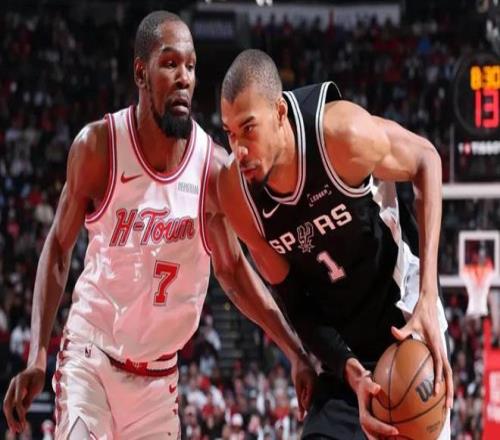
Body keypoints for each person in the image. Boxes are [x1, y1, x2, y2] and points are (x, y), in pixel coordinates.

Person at [2, 14, 314, 439]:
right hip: (92, 359)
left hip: (158, 380)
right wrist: (38, 355)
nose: (184, 77)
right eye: (170, 64)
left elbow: (233, 270)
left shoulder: (213, 170)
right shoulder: (98, 147)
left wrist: (294, 350)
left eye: (191, 66)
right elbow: (58, 247)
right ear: (140, 73)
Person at [218, 49, 453, 440]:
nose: (239, 150)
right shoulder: (236, 193)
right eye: (229, 133)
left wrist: (429, 295)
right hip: (341, 345)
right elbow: (295, 300)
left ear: (279, 113)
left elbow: (426, 159)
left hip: (403, 322)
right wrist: (346, 367)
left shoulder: (340, 135)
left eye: (249, 128)